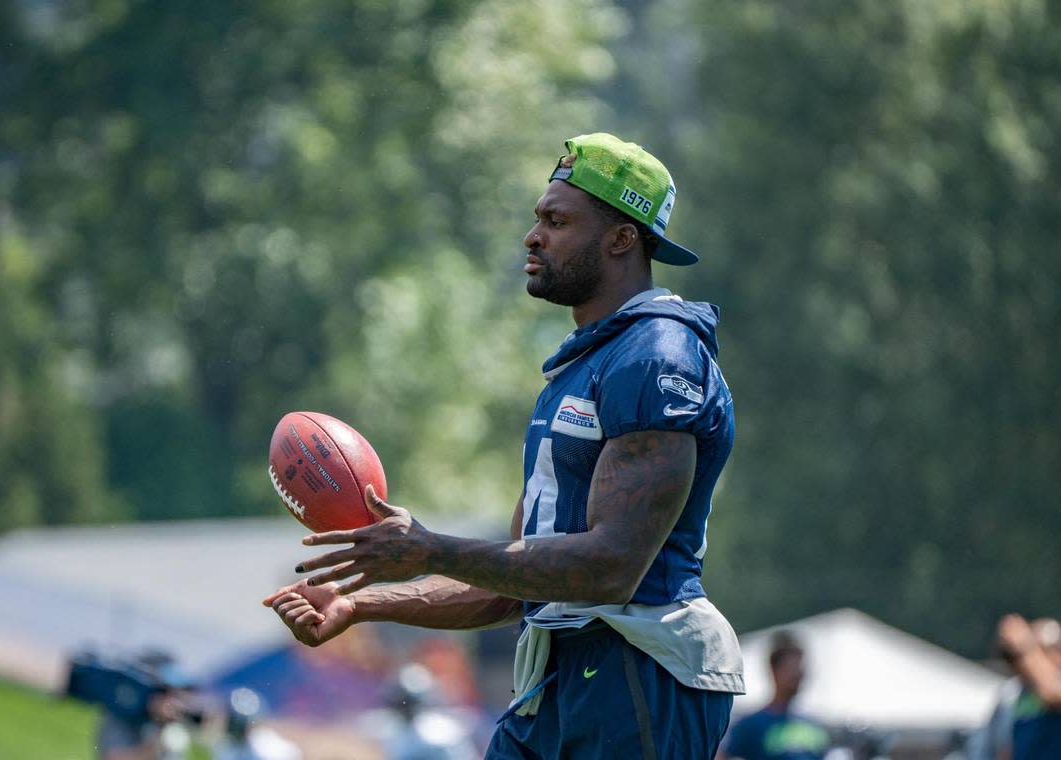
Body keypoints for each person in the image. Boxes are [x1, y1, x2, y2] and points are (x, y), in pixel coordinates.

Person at [263, 132, 744, 758]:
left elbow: (610, 567)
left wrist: (431, 549)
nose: (532, 235)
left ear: (622, 237)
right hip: (561, 667)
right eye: (537, 217)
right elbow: (511, 583)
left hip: (637, 664)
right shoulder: (582, 365)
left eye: (557, 220)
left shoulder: (657, 355)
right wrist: (360, 605)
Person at [973, 614, 1061, 760]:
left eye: (1039, 651)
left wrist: (1026, 646)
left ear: (1059, 652)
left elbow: (1060, 696)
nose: (1025, 664)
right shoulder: (1022, 691)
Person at [717, 631, 830, 760]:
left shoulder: (814, 726)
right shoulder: (750, 726)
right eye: (791, 668)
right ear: (773, 670)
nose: (798, 674)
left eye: (800, 667)